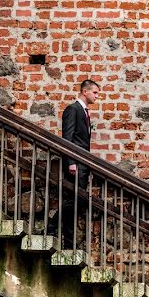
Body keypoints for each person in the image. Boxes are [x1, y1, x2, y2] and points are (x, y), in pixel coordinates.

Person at [50, 79, 100, 249]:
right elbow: (68, 138)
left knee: (76, 202)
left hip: (83, 163)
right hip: (75, 164)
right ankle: (51, 226)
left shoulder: (85, 112)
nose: (97, 96)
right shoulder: (73, 109)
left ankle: (69, 243)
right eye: (95, 93)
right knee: (74, 200)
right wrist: (71, 162)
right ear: (85, 92)